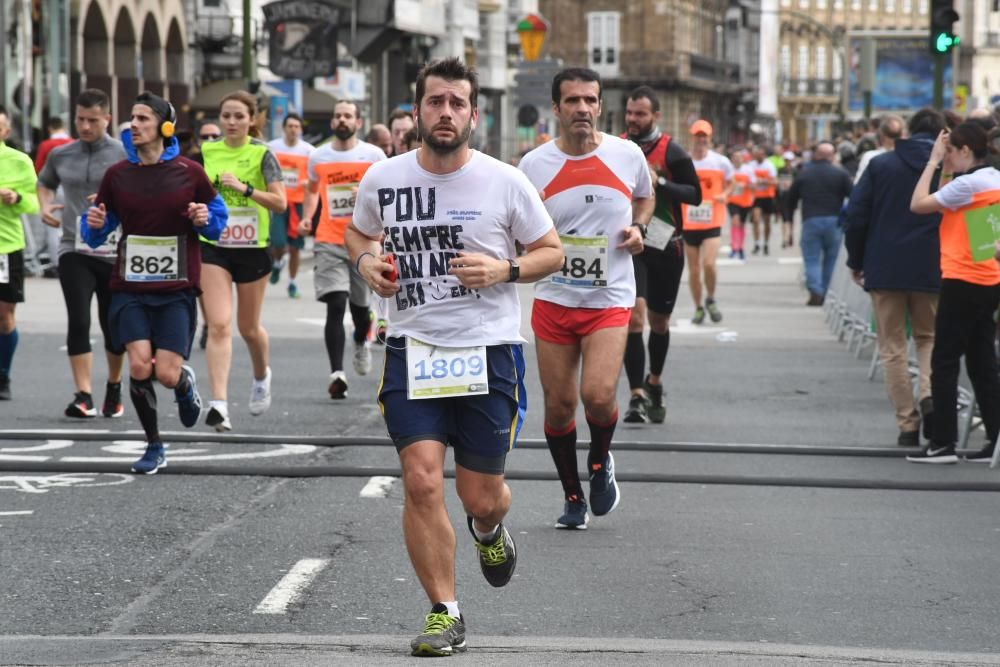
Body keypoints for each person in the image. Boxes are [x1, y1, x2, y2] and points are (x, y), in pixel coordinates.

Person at [345, 57, 562, 656]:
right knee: (419, 480)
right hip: (411, 348)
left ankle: (489, 528)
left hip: (487, 352)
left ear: (473, 113)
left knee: (481, 494)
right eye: (435, 101)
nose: (445, 112)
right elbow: (358, 233)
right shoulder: (382, 179)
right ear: (416, 110)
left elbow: (551, 251)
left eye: (456, 103)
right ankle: (444, 610)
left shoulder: (504, 180)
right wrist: (367, 264)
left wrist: (504, 269)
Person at [519, 67, 652, 528]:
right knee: (558, 406)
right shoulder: (533, 166)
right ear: (556, 109)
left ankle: (599, 461)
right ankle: (572, 496)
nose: (582, 108)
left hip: (610, 297)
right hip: (555, 298)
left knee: (597, 396)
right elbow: (516, 227)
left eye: (589, 100)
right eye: (571, 101)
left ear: (600, 106)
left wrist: (640, 229)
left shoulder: (628, 155)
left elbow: (645, 199)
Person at [82, 91, 226, 472]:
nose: (135, 126)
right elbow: (98, 227)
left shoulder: (189, 173)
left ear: (165, 126)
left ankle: (182, 384)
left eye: (144, 119)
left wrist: (202, 219)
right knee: (140, 367)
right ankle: (153, 445)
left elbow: (216, 222)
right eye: (132, 118)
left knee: (165, 373)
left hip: (176, 289)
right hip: (129, 286)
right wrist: (93, 224)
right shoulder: (118, 175)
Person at [845, 108, 946, 447]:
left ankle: (907, 424)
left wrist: (856, 260)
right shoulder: (947, 171)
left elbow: (856, 216)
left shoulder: (880, 165)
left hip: (885, 265)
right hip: (932, 264)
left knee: (892, 348)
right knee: (928, 338)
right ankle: (929, 393)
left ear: (908, 130)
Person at [907, 122, 1000, 463]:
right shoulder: (991, 179)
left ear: (964, 150)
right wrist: (947, 169)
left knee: (944, 361)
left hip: (962, 277)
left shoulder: (969, 183)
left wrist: (932, 162)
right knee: (981, 363)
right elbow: (956, 211)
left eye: (949, 152)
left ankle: (942, 442)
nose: (946, 158)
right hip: (988, 277)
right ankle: (995, 436)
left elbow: (918, 204)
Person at [36, 89, 128, 418]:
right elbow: (44, 183)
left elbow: (138, 193)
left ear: (107, 119)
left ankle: (114, 387)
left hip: (113, 251)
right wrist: (46, 207)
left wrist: (113, 200)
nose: (85, 126)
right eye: (80, 119)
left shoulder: (121, 153)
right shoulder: (62, 154)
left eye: (92, 120)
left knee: (112, 324)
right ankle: (83, 395)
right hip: (74, 246)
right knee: (79, 320)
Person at [199, 91, 287, 431]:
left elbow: (280, 203)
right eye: (226, 116)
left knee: (248, 328)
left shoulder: (263, 155)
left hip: (252, 246)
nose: (232, 122)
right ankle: (219, 404)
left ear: (252, 119)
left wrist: (246, 190)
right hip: (214, 245)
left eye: (239, 116)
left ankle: (261, 375)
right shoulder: (207, 151)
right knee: (218, 325)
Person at [620, 85, 701, 424]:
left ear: (655, 116)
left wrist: (660, 183)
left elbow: (695, 195)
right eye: (629, 112)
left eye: (640, 113)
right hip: (631, 244)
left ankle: (655, 380)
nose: (633, 119)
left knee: (659, 322)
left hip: (667, 246)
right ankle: (636, 394)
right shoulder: (618, 148)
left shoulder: (672, 151)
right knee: (634, 319)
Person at [301, 101, 385, 399]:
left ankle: (362, 341)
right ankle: (336, 372)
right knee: (336, 303)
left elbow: (384, 194)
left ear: (358, 123)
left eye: (348, 115)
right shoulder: (318, 156)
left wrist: (363, 193)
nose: (341, 119)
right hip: (328, 240)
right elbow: (312, 191)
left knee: (361, 309)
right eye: (337, 115)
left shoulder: (374, 155)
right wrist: (307, 216)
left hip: (364, 240)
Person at [0, 108, 41, 400]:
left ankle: (3, 375)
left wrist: (17, 197)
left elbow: (35, 203)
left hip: (6, 247)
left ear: (6, 131)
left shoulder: (19, 161)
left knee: (4, 316)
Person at [787, 142, 853, 305]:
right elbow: (854, 196)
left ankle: (815, 290)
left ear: (816, 155)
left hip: (811, 220)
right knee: (831, 259)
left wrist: (788, 219)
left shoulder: (804, 173)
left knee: (811, 259)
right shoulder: (840, 174)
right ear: (831, 156)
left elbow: (790, 198)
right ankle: (826, 291)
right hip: (834, 221)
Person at [683, 119, 732, 324]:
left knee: (709, 264)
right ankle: (698, 307)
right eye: (697, 136)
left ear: (710, 138)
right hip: (689, 222)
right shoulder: (685, 162)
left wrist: (724, 194)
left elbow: (731, 183)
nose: (701, 139)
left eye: (704, 136)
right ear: (692, 138)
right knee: (694, 270)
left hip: (712, 220)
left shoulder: (720, 161)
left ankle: (710, 298)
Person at [266, 113, 314, 298]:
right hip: (278, 202)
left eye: (296, 126)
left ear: (300, 130)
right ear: (284, 128)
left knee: (295, 247)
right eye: (290, 126)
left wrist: (307, 183)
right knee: (278, 243)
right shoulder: (272, 147)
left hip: (299, 204)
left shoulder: (309, 151)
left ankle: (292, 283)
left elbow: (314, 178)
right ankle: (278, 262)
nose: (293, 129)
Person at [854, 114, 904, 184]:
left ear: (881, 135)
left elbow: (858, 185)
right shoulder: (911, 157)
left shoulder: (870, 157)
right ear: (903, 135)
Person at [727, 149, 756, 261]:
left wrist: (745, 185)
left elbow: (754, 186)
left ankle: (741, 248)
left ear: (743, 159)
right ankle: (734, 248)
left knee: (742, 225)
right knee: (735, 222)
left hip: (745, 201)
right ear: (732, 159)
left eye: (739, 157)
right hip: (732, 201)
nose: (737, 159)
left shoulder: (748, 170)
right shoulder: (729, 169)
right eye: (734, 157)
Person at [748, 145, 778, 253]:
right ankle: (756, 243)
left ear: (764, 155)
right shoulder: (751, 165)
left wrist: (763, 181)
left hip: (768, 196)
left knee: (767, 221)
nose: (759, 156)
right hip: (756, 197)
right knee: (756, 220)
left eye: (761, 154)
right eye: (757, 154)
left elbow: (775, 182)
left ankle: (766, 243)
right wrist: (752, 184)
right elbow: (749, 180)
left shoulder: (769, 165)